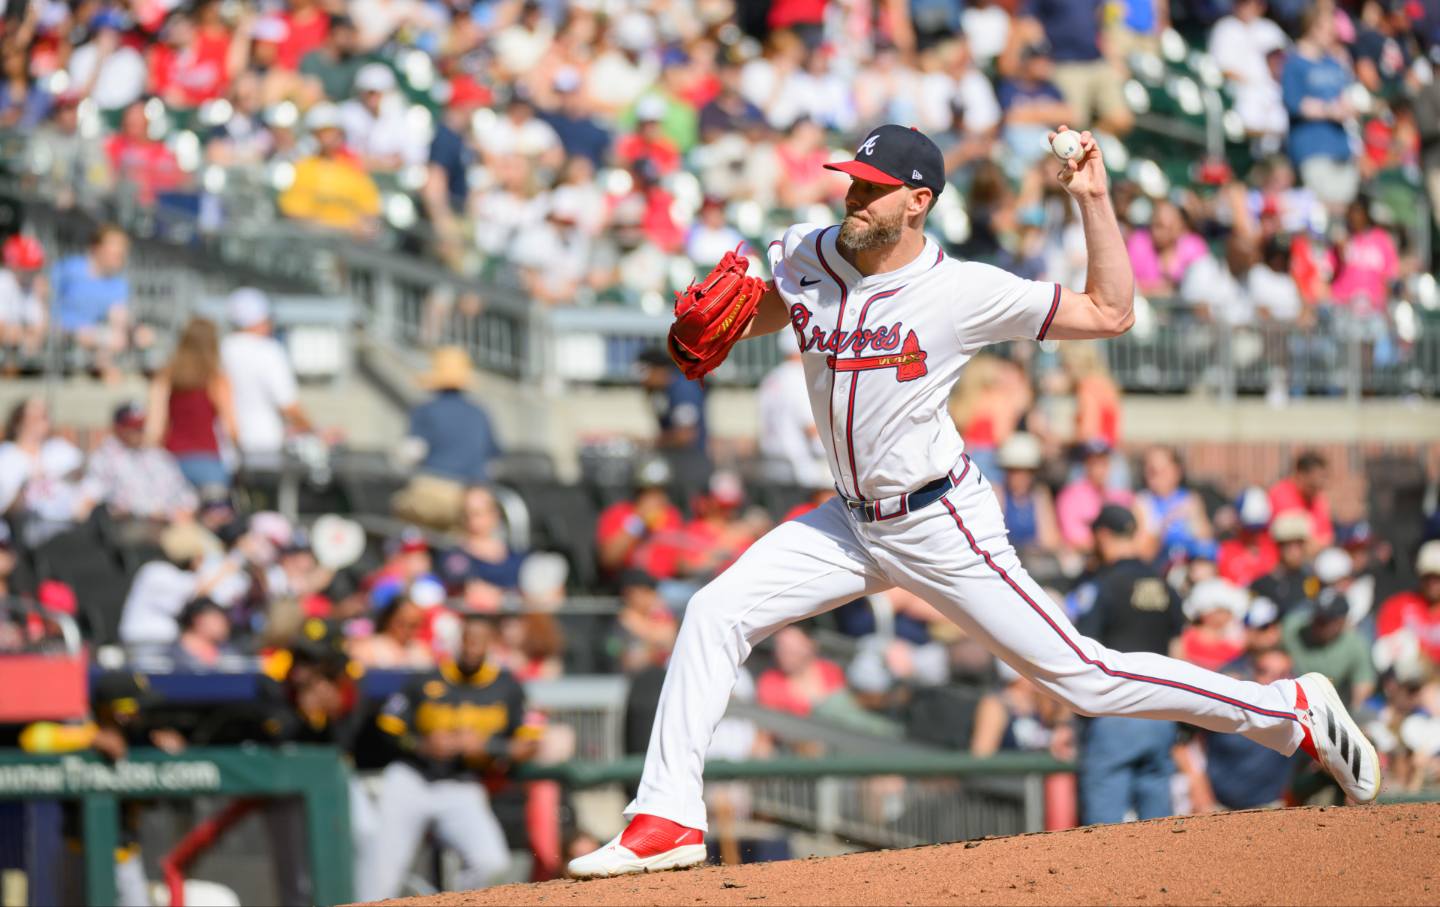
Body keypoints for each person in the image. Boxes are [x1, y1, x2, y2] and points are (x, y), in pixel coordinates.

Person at [569, 124, 1377, 879]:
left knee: (1084, 679)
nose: (854, 198)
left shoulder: (962, 292)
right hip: (849, 521)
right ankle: (669, 816)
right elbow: (776, 310)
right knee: (715, 610)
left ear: (918, 202)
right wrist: (717, 327)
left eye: (872, 189)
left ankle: (1287, 707)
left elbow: (1110, 312)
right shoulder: (808, 253)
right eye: (852, 182)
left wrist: (1093, 198)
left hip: (939, 519)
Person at [358, 610, 542, 899]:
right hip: (412, 779)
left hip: (462, 782)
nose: (471, 649)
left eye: (479, 642)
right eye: (467, 641)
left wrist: (488, 748)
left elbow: (530, 742)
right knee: (381, 875)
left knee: (491, 863)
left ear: (491, 644)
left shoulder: (507, 686)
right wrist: (421, 744)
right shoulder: (426, 679)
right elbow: (387, 728)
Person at [1073, 505, 1184, 824]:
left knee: (1103, 838)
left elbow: (1081, 653)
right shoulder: (1163, 585)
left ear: (1103, 535)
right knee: (1160, 835)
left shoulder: (1102, 585)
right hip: (1161, 713)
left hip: (1114, 715)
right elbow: (1179, 653)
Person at [392, 346, 501, 531]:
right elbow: (492, 455)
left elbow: (411, 453)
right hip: (472, 496)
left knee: (400, 508)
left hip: (433, 491)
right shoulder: (479, 413)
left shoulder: (426, 411)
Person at [220, 288, 317, 465]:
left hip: (226, 443)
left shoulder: (222, 348)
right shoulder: (269, 351)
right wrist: (313, 430)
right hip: (264, 445)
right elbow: (288, 405)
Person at [1281, 6, 1360, 210]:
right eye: (1327, 28)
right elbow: (1294, 103)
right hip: (1313, 148)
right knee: (1321, 212)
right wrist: (1329, 110)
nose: (1332, 34)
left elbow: (1345, 97)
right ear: (1311, 28)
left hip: (1341, 150)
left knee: (1342, 213)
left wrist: (1348, 108)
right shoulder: (1294, 62)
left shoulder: (1334, 63)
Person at [147, 316, 239, 490]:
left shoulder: (166, 376)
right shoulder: (216, 379)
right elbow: (231, 427)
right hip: (208, 462)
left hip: (170, 460)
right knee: (214, 514)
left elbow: (154, 428)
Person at [51, 223, 148, 381]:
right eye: (115, 248)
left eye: (122, 250)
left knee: (134, 336)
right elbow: (44, 296)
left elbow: (119, 316)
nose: (120, 253)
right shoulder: (70, 269)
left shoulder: (118, 284)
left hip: (96, 336)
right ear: (96, 248)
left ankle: (105, 371)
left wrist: (136, 330)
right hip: (61, 330)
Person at [84, 403, 197, 537]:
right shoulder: (104, 458)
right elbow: (99, 502)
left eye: (140, 426)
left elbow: (185, 492)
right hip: (131, 526)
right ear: (118, 428)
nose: (138, 431)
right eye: (132, 427)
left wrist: (183, 510)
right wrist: (154, 513)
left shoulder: (157, 455)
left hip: (171, 523)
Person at [278, 102, 382, 235]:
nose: (328, 137)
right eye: (322, 133)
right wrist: (333, 229)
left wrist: (365, 228)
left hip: (350, 246)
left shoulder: (353, 170)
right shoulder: (302, 169)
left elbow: (372, 216)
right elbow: (292, 214)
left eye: (332, 132)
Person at [1281, 588, 1376, 708]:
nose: (1317, 623)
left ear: (1341, 622)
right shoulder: (1294, 628)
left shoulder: (1355, 646)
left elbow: (1363, 685)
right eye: (1316, 616)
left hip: (1329, 710)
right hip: (1288, 701)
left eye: (1324, 620)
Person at [757, 331, 829, 487]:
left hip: (773, 467)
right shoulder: (799, 377)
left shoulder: (771, 378)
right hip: (800, 471)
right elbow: (811, 429)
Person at [1134, 446, 1212, 564]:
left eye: (1163, 470)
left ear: (1177, 471)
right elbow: (1143, 552)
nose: (1157, 476)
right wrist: (1165, 525)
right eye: (1152, 471)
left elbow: (1206, 542)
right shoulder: (1143, 502)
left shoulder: (1189, 499)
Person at [1376, 541, 1440, 665]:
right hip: (1407, 676)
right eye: (1428, 577)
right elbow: (1387, 650)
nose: (1432, 584)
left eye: (1437, 578)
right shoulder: (1398, 605)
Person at [1250, 510, 1317, 615]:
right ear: (1279, 546)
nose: (1294, 551)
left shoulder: (1312, 578)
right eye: (1288, 545)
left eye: (1299, 544)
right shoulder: (1264, 584)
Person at [1268, 450, 1334, 552]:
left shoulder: (1318, 499)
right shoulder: (1281, 494)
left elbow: (1327, 537)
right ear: (1300, 476)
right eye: (1313, 485)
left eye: (1320, 486)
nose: (1318, 490)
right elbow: (1289, 539)